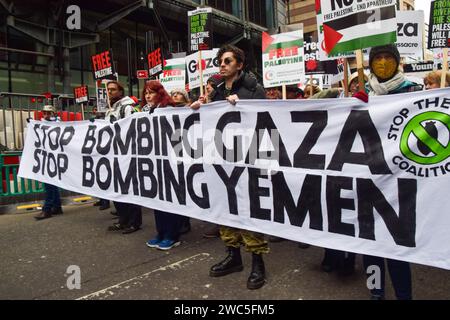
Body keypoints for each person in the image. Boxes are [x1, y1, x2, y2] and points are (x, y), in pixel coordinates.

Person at [192, 44, 268, 290]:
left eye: (227, 61)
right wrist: (198, 108)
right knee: (224, 207)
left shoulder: (254, 90)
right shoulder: (214, 93)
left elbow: (266, 122)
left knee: (248, 209)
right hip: (220, 161)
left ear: (240, 65)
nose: (221, 65)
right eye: (219, 62)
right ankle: (233, 255)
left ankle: (258, 262)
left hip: (246, 161)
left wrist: (244, 105)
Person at [363, 44, 422, 300]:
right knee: (370, 242)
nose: (383, 62)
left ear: (397, 63)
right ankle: (376, 291)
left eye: (389, 58)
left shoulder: (413, 92)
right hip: (368, 178)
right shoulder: (361, 94)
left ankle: (403, 295)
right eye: (378, 58)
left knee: (397, 244)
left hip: (399, 180)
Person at [143, 81, 187, 250]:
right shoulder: (146, 111)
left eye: (152, 92)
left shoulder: (170, 108)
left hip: (171, 160)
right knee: (157, 198)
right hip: (154, 160)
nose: (148, 95)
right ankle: (160, 232)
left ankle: (172, 235)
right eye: (146, 92)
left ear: (159, 93)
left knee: (170, 198)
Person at [104, 81, 142, 234]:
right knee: (117, 190)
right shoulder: (110, 109)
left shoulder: (128, 108)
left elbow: (133, 129)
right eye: (108, 90)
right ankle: (123, 220)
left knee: (130, 190)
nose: (110, 92)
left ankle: (134, 223)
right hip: (113, 154)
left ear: (121, 92)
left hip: (127, 154)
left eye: (113, 89)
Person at [34, 105, 63, 220]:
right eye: (44, 112)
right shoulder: (41, 124)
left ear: (53, 114)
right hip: (46, 156)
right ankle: (57, 207)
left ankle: (47, 209)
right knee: (52, 182)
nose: (46, 115)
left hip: (54, 156)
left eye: (49, 113)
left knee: (49, 183)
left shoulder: (58, 124)